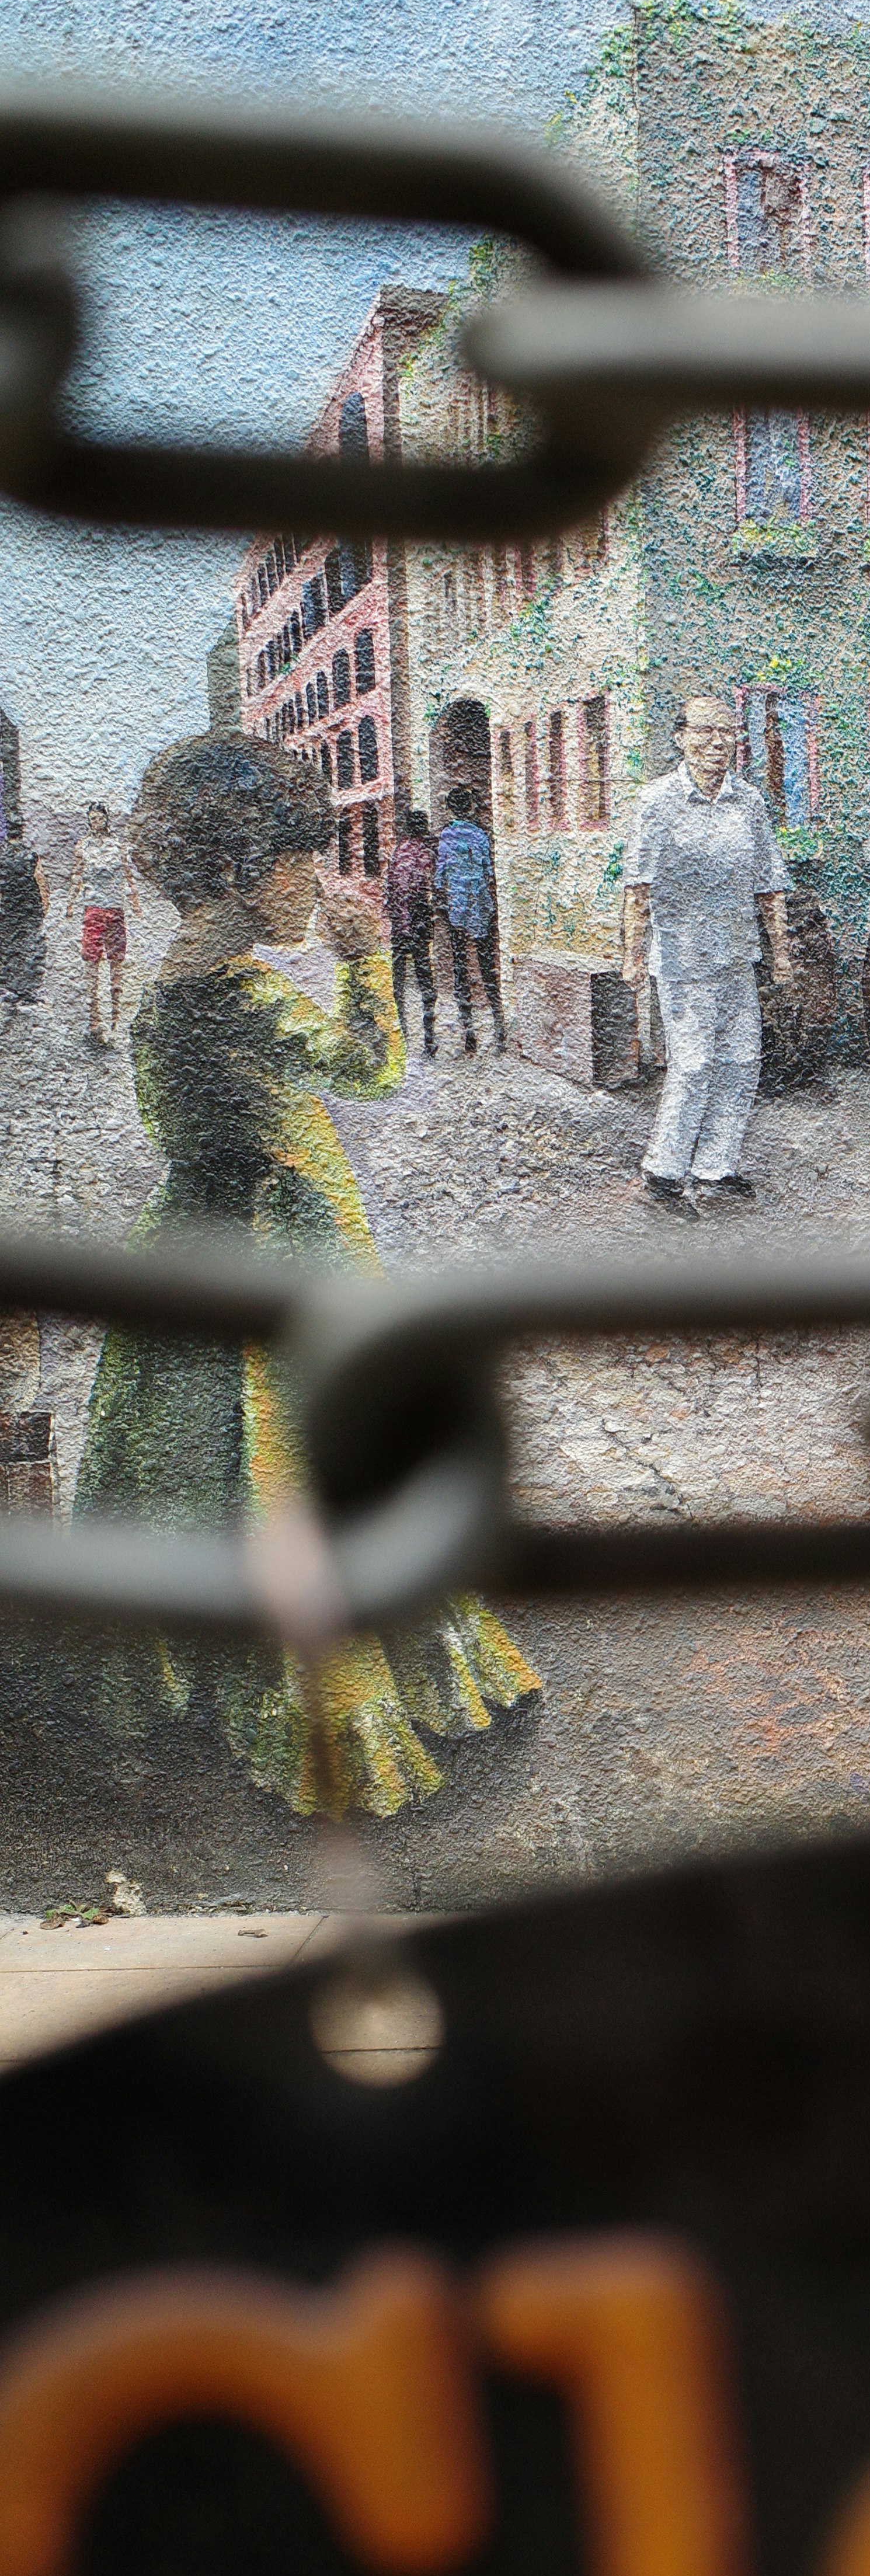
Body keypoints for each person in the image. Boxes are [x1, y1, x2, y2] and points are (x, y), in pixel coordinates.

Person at [73, 734, 539, 1816]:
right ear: (241, 871)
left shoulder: (165, 995)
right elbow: (373, 1070)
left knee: (198, 1466)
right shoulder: (246, 996)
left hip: (190, 1240)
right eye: (298, 862)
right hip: (286, 1244)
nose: (316, 882)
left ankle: (189, 1667)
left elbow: (170, 1125)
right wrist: (367, 957)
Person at [621, 692, 795, 1216]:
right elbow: (638, 887)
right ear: (680, 738)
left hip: (736, 955)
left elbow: (771, 885)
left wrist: (781, 956)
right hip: (682, 958)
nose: (717, 743)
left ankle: (717, 1168)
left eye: (727, 732)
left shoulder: (750, 803)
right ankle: (664, 1174)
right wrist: (632, 957)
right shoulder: (658, 802)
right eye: (704, 732)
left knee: (742, 1061)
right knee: (693, 1066)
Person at [436, 784, 506, 1056]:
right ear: (471, 808)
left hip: (457, 910)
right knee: (488, 970)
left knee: (460, 971)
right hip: (480, 907)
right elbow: (489, 872)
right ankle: (500, 1033)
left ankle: (470, 1040)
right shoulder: (480, 836)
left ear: (451, 808)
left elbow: (441, 875)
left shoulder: (446, 836)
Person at [67, 801, 133, 1046]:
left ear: (106, 820)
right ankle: (95, 1018)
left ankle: (116, 1018)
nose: (97, 823)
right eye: (93, 819)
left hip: (115, 908)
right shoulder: (83, 846)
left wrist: (135, 901)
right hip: (93, 908)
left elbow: (127, 874)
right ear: (89, 821)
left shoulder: (118, 845)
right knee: (92, 962)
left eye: (100, 818)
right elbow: (77, 875)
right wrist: (71, 903)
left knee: (117, 961)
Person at [383, 804, 439, 1060]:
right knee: (424, 976)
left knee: (399, 982)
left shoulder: (399, 852)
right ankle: (429, 1040)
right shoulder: (425, 854)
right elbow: (428, 888)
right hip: (417, 919)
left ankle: (401, 1036)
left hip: (400, 923)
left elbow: (392, 893)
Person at [0, 817, 47, 1023]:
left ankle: (8, 986)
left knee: (8, 946)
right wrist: (45, 905)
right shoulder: (31, 856)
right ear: (21, 832)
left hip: (8, 907)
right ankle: (26, 990)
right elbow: (41, 881)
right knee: (29, 947)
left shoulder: (1, 856)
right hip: (29, 908)